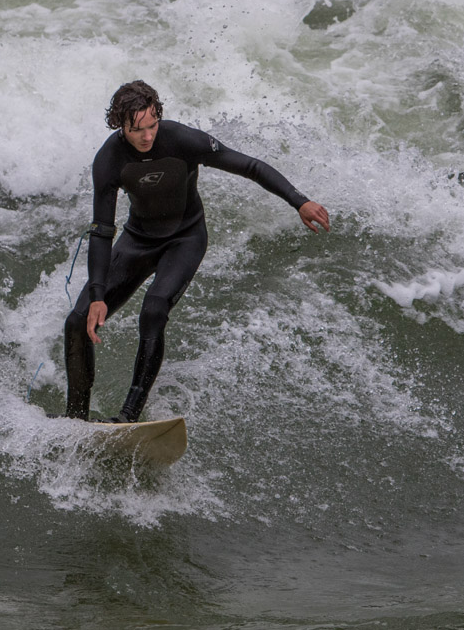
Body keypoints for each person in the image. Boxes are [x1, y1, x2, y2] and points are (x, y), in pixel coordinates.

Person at [63, 80, 330, 422]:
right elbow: (102, 231)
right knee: (77, 321)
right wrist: (98, 293)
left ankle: (128, 417)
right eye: (137, 130)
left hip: (185, 238)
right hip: (137, 240)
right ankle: (75, 420)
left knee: (154, 308)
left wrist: (300, 201)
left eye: (152, 125)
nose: (147, 136)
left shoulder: (182, 140)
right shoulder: (109, 159)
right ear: (120, 125)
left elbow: (250, 166)